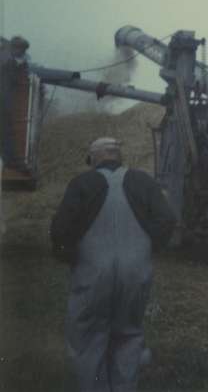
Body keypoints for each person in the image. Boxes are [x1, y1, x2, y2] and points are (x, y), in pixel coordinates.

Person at [50, 136, 176, 392]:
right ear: (118, 157)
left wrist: (70, 256)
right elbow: (167, 220)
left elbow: (61, 231)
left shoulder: (83, 183)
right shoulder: (142, 181)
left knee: (88, 337)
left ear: (94, 158)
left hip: (93, 273)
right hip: (135, 273)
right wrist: (147, 248)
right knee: (129, 335)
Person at [0, 36, 31, 171]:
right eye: (20, 49)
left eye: (23, 49)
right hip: (4, 103)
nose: (22, 52)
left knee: (7, 131)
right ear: (13, 48)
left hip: (6, 104)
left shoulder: (15, 62)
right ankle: (10, 161)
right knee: (7, 131)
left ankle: (9, 160)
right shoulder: (7, 63)